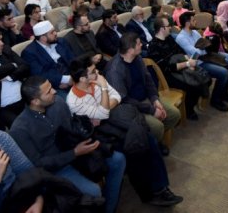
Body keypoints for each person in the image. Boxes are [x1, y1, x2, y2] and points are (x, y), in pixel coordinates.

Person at [67, 55, 183, 206]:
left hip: (114, 121)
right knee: (135, 146)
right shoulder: (74, 100)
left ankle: (160, 188)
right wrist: (103, 91)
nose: (97, 73)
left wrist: (104, 109)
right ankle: (149, 194)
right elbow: (103, 112)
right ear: (82, 79)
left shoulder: (96, 81)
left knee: (148, 139)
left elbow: (116, 97)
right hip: (100, 135)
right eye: (93, 71)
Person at [9, 76, 126, 213]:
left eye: (51, 87)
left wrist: (85, 131)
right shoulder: (20, 129)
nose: (54, 91)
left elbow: (71, 130)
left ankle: (108, 208)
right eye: (48, 91)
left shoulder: (58, 102)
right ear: (35, 101)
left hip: (77, 151)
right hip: (58, 167)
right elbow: (39, 164)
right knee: (93, 191)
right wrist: (75, 153)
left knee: (118, 160)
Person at [104, 32, 181, 148]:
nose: (142, 45)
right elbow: (124, 99)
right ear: (130, 50)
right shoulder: (114, 70)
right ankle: (154, 143)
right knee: (157, 127)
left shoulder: (137, 58)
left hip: (146, 99)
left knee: (174, 114)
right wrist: (151, 110)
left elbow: (148, 80)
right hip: (132, 107)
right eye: (139, 44)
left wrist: (155, 99)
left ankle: (154, 140)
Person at [147, 16, 208, 120]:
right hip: (167, 76)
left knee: (203, 77)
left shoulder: (169, 38)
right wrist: (187, 65)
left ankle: (192, 103)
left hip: (180, 67)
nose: (171, 27)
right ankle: (189, 110)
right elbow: (166, 68)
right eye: (168, 26)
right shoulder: (153, 46)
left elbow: (181, 51)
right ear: (162, 28)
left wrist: (188, 60)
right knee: (193, 84)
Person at [175, 11, 228, 112]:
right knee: (223, 72)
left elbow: (205, 44)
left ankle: (224, 93)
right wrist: (203, 48)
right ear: (187, 23)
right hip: (198, 63)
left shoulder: (194, 32)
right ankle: (215, 100)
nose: (196, 21)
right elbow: (195, 53)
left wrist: (203, 47)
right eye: (193, 20)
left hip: (207, 57)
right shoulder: (181, 38)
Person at [21, 21, 75, 97]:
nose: (56, 33)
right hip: (54, 87)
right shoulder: (29, 53)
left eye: (54, 31)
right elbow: (39, 75)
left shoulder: (61, 41)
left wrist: (75, 76)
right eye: (52, 32)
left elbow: (73, 60)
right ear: (43, 38)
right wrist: (64, 80)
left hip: (74, 78)